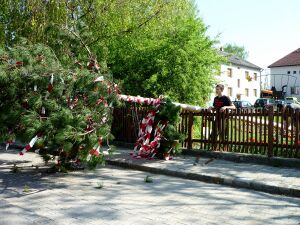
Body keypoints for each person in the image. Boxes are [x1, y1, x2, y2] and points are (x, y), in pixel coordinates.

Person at [208, 84, 236, 151]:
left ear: (221, 90)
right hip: (217, 118)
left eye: (218, 89)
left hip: (224, 119)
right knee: (214, 134)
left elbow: (234, 107)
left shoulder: (226, 98)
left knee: (223, 135)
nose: (216, 90)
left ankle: (225, 150)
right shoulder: (215, 98)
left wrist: (225, 107)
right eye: (216, 89)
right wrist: (211, 107)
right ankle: (215, 149)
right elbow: (215, 107)